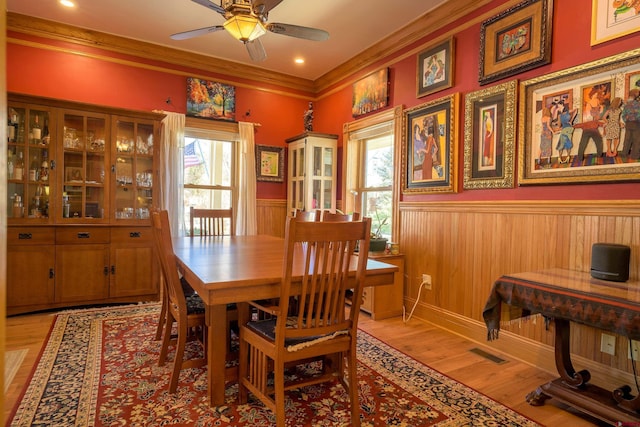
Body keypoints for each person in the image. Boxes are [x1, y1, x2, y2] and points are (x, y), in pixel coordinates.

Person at [621, 88, 640, 159]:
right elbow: (639, 114)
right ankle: (635, 156)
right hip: (637, 123)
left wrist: (627, 120)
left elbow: (623, 115)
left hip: (628, 124)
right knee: (637, 140)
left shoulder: (627, 104)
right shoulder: (638, 104)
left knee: (627, 139)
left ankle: (624, 154)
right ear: (636, 94)